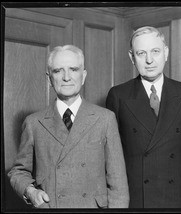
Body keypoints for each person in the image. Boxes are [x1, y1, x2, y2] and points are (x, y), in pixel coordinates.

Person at [8, 45, 129, 209]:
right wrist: (30, 191)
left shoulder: (105, 118)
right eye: (58, 71)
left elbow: (118, 184)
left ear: (83, 76)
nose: (66, 77)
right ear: (49, 79)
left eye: (73, 69)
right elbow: (18, 171)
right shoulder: (33, 123)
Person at [106, 26, 181, 208]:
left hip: (177, 197)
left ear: (166, 53)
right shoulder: (118, 95)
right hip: (138, 198)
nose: (149, 60)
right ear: (132, 58)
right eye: (141, 53)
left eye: (155, 51)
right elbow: (113, 157)